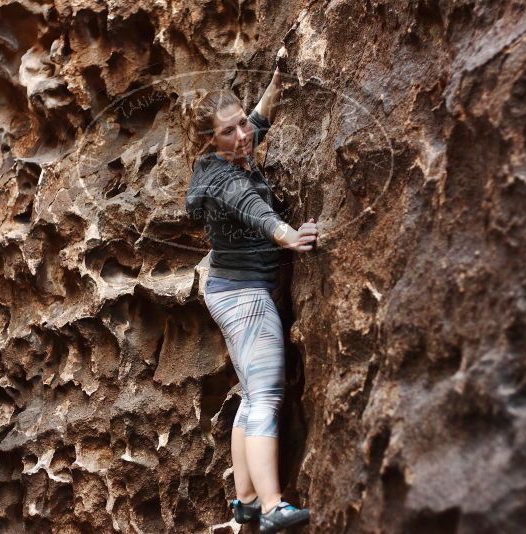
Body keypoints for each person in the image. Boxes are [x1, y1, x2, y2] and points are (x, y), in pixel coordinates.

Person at [183, 48, 317, 533]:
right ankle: (271, 506)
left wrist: (278, 79)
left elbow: (260, 117)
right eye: (229, 130)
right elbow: (255, 213)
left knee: (250, 394)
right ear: (208, 141)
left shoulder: (230, 152)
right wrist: (292, 237)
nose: (243, 136)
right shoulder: (222, 180)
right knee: (266, 396)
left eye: (241, 124)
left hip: (228, 290)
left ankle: (243, 502)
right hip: (244, 298)